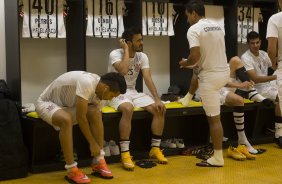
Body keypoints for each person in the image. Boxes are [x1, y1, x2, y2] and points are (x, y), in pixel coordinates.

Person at [35, 71, 126, 184]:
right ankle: (71, 169)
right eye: (112, 95)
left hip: (67, 107)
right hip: (46, 103)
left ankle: (99, 161)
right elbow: (81, 117)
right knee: (66, 120)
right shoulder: (87, 82)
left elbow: (91, 114)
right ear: (106, 88)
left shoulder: (101, 91)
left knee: (95, 112)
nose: (110, 99)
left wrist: (98, 148)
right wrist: (92, 143)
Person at [180, 56, 265, 156]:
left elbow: (222, 79)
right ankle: (240, 141)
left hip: (222, 84)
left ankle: (252, 92)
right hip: (210, 89)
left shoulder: (216, 53)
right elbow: (198, 77)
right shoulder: (202, 58)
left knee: (236, 60)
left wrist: (187, 63)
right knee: (238, 100)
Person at [179, 0, 230, 167]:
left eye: (187, 16)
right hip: (224, 73)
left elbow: (194, 56)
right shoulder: (217, 26)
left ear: (194, 13)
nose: (187, 20)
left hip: (210, 78)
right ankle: (188, 96)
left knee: (214, 120)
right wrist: (194, 63)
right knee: (216, 119)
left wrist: (184, 63)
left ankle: (217, 157)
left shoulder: (193, 29)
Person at [108, 27, 167, 171]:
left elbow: (147, 78)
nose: (142, 43)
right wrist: (126, 51)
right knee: (128, 109)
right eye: (138, 40)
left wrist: (157, 99)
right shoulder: (115, 54)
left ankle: (155, 149)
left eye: (142, 39)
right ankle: (125, 153)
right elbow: (122, 70)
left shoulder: (143, 56)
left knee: (159, 109)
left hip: (133, 92)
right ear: (128, 43)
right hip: (116, 92)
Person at [242, 31, 282, 147]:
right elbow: (255, 78)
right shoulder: (245, 57)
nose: (255, 45)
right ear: (248, 44)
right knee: (280, 96)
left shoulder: (264, 54)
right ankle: (279, 134)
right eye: (252, 43)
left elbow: (274, 66)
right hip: (256, 89)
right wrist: (277, 76)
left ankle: (277, 129)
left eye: (257, 42)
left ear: (260, 41)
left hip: (268, 85)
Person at [266, 0, 282, 146]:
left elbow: (271, 49)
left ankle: (279, 133)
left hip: (281, 65)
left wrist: (274, 65)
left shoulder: (275, 19)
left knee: (280, 98)